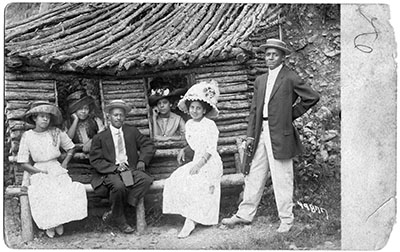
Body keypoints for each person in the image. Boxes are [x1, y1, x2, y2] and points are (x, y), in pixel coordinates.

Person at [221, 38, 320, 233]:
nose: (270, 57)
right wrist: (250, 136)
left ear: (283, 57)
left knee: (282, 176)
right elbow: (254, 110)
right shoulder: (260, 80)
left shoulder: (290, 77)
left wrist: (289, 114)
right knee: (254, 174)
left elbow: (312, 97)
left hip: (280, 135)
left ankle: (286, 219)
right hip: (260, 132)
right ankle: (245, 214)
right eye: (267, 54)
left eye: (275, 54)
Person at [17, 101, 87, 238]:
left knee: (63, 187)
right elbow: (23, 162)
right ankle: (50, 224)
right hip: (38, 168)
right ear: (34, 118)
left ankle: (59, 221)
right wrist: (39, 172)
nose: (45, 119)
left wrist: (65, 163)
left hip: (56, 166)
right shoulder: (28, 136)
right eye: (42, 116)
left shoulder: (56, 132)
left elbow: (71, 148)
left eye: (47, 117)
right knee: (42, 189)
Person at [162, 80, 223, 238]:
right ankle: (188, 214)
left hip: (210, 162)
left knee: (197, 181)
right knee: (175, 179)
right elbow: (196, 144)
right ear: (188, 109)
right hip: (197, 159)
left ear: (204, 110)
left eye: (198, 108)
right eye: (192, 108)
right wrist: (185, 149)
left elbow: (210, 148)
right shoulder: (189, 124)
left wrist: (199, 165)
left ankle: (191, 221)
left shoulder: (210, 125)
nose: (195, 111)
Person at [89, 99, 155, 234]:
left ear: (125, 117)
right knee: (119, 186)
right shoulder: (100, 137)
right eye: (115, 115)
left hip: (128, 169)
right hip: (110, 172)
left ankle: (120, 210)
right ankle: (121, 221)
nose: (118, 118)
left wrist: (142, 160)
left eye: (121, 115)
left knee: (146, 180)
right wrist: (114, 168)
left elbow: (148, 145)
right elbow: (96, 160)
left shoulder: (132, 131)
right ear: (109, 117)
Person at [65, 90, 105, 155]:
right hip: (75, 155)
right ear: (75, 110)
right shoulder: (68, 123)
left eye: (86, 108)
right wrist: (75, 120)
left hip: (94, 153)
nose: (83, 111)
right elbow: (67, 139)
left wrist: (91, 141)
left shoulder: (95, 120)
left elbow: (102, 135)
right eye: (80, 109)